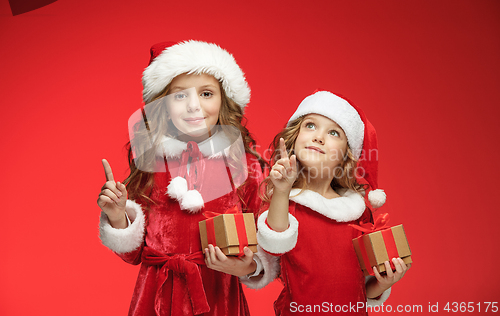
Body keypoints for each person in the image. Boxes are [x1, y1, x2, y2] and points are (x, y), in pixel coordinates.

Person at [97, 40, 278, 316]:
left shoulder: (244, 164)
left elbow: (266, 242)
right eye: (180, 96)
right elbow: (133, 254)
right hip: (156, 297)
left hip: (220, 297)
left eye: (206, 94)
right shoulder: (151, 163)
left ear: (224, 99)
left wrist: (248, 267)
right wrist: (118, 216)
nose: (194, 106)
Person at [256, 90, 411, 315]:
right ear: (294, 137)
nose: (318, 137)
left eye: (333, 133)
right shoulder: (286, 202)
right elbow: (275, 242)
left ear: (345, 155)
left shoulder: (357, 212)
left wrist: (385, 282)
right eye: (310, 125)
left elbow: (361, 289)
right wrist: (282, 191)